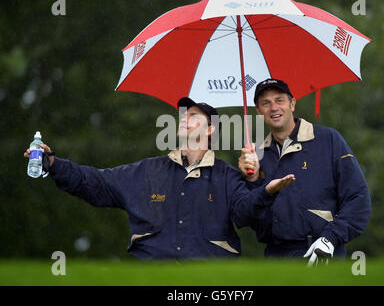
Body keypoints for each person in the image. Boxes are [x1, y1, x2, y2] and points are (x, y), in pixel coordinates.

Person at [24, 97, 295, 260]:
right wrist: (53, 164)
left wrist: (260, 187)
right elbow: (95, 182)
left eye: (193, 116)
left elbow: (245, 214)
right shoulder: (147, 171)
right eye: (182, 115)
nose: (184, 119)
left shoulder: (227, 177)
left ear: (210, 128)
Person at [238, 78, 371, 265]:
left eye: (279, 100)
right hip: (275, 259)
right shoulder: (256, 155)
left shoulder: (328, 139)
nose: (273, 107)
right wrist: (252, 180)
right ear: (259, 112)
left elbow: (358, 198)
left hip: (323, 254)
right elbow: (245, 218)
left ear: (292, 104)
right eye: (265, 103)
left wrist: (330, 239)